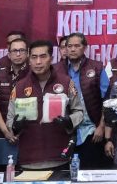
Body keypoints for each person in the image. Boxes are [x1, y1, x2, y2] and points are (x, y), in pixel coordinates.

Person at [10, 41, 84, 169]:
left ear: (51, 58)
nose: (38, 62)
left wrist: (70, 121)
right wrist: (14, 126)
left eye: (43, 56)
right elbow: (10, 118)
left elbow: (79, 112)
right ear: (29, 60)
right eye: (34, 57)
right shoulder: (19, 87)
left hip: (59, 158)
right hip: (28, 160)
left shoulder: (66, 82)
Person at [58, 32, 106, 165]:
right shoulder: (56, 70)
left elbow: (107, 101)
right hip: (63, 132)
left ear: (85, 48)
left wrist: (101, 127)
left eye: (77, 46)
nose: (72, 49)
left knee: (90, 171)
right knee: (65, 173)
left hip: (91, 131)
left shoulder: (96, 67)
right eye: (69, 46)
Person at [0, 37, 28, 168]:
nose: (18, 54)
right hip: (2, 131)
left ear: (27, 53)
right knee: (4, 171)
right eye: (15, 51)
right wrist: (6, 131)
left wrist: (19, 132)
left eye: (22, 50)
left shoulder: (33, 74)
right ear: (9, 54)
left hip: (28, 132)